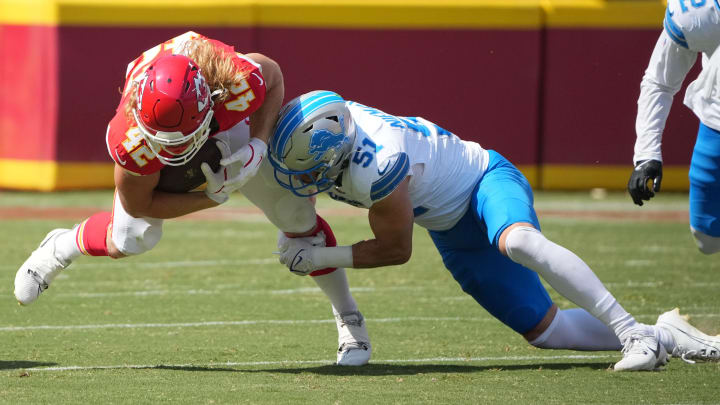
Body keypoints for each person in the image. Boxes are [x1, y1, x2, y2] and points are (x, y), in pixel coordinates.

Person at [268, 90, 720, 371]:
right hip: (449, 228)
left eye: (306, 170)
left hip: (484, 179)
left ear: (335, 154)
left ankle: (631, 333)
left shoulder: (377, 166)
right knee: (547, 333)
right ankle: (664, 335)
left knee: (517, 240)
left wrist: (321, 258)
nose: (300, 180)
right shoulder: (336, 123)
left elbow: (395, 250)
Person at [13, 32, 371, 366]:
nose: (179, 152)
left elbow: (272, 74)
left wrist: (259, 145)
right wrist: (212, 198)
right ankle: (61, 246)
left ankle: (348, 315)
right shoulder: (131, 137)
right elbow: (141, 205)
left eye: (183, 141)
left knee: (296, 218)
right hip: (175, 126)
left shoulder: (230, 82)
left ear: (211, 102)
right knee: (132, 236)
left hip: (225, 126)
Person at [627, 1, 720, 254]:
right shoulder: (701, 13)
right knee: (706, 236)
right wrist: (647, 154)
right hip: (717, 124)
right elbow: (660, 82)